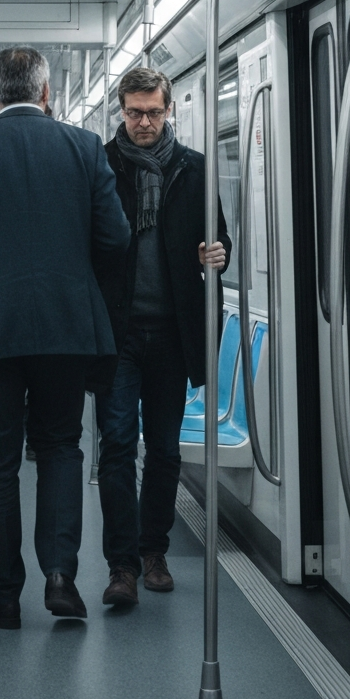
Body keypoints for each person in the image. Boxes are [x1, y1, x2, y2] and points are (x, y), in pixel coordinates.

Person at [0, 46, 130, 629]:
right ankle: (62, 577)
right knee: (62, 448)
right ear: (46, 93)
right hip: (68, 328)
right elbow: (114, 238)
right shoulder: (84, 147)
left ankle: (4, 596)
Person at [95, 67, 231, 607]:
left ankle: (155, 552)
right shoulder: (101, 167)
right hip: (118, 332)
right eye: (134, 112)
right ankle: (121, 564)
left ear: (168, 109)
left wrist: (217, 253)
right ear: (121, 112)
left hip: (174, 331)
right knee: (117, 447)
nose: (144, 122)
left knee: (165, 450)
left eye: (153, 112)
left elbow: (218, 237)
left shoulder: (195, 170)